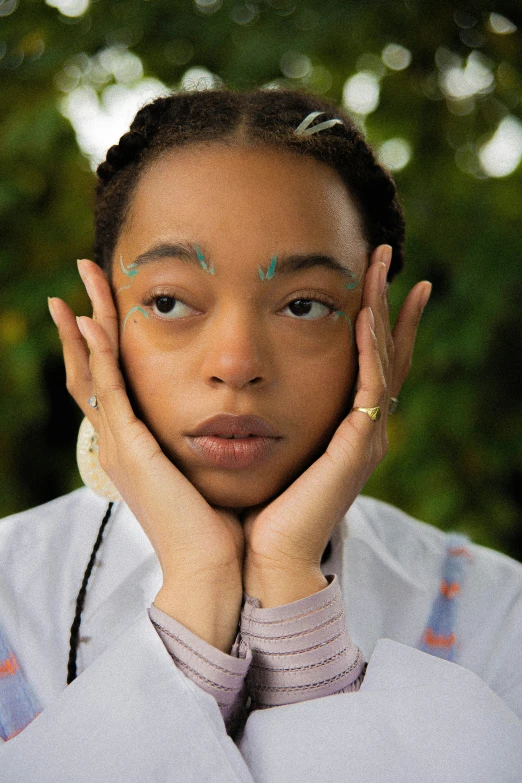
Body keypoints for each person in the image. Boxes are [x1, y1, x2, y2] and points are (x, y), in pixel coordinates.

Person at [0, 86, 521, 782]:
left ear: (388, 331)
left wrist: (297, 607)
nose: (236, 364)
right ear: (101, 323)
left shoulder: (498, 614)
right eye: (168, 300)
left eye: (303, 305)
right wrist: (197, 587)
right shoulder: (9, 592)